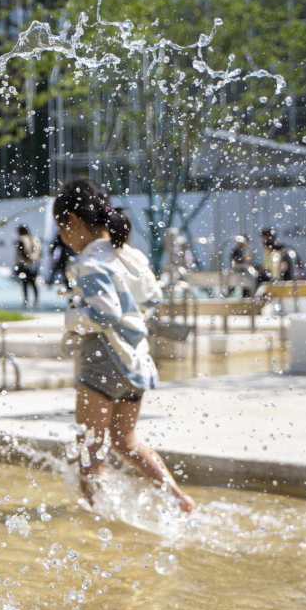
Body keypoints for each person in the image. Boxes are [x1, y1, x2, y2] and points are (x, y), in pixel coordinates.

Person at [54, 179, 195, 514]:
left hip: (103, 360)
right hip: (136, 362)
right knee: (126, 441)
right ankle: (178, 497)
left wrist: (73, 318)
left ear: (73, 222)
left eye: (62, 230)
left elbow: (105, 313)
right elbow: (153, 299)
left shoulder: (91, 263)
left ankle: (95, 514)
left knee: (91, 445)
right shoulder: (131, 256)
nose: (63, 239)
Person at [14, 224, 41, 308]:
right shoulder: (35, 239)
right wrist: (34, 261)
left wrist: (26, 261)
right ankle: (36, 301)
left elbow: (21, 253)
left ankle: (26, 301)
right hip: (34, 264)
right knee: (33, 283)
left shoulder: (21, 240)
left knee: (25, 284)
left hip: (24, 265)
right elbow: (40, 252)